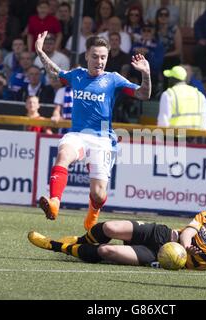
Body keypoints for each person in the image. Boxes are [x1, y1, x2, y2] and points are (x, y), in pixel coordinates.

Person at [35, 31, 151, 230]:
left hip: (103, 139)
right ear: (87, 55)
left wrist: (146, 74)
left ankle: (94, 210)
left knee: (98, 194)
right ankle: (55, 202)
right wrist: (39, 51)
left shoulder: (113, 79)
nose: (100, 61)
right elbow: (56, 72)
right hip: (77, 135)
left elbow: (143, 94)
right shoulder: (77, 75)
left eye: (103, 57)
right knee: (63, 155)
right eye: (95, 56)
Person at [28, 190, 206, 276]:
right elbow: (189, 232)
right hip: (164, 236)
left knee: (106, 250)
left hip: (163, 258)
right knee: (110, 227)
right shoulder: (205, 216)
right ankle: (77, 241)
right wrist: (187, 246)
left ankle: (56, 245)